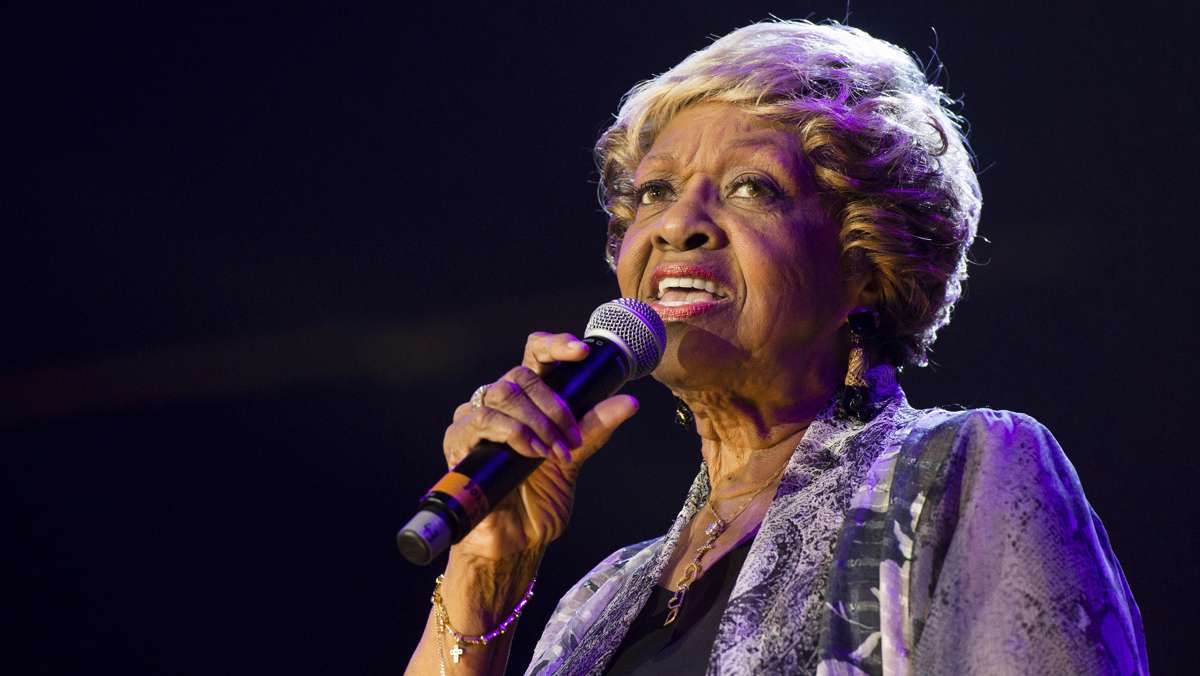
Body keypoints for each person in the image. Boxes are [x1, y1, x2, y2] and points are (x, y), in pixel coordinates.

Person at [404, 20, 1148, 675]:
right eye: (657, 191)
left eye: (751, 187)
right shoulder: (596, 603)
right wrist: (484, 575)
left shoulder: (961, 475)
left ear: (866, 263)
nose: (677, 225)